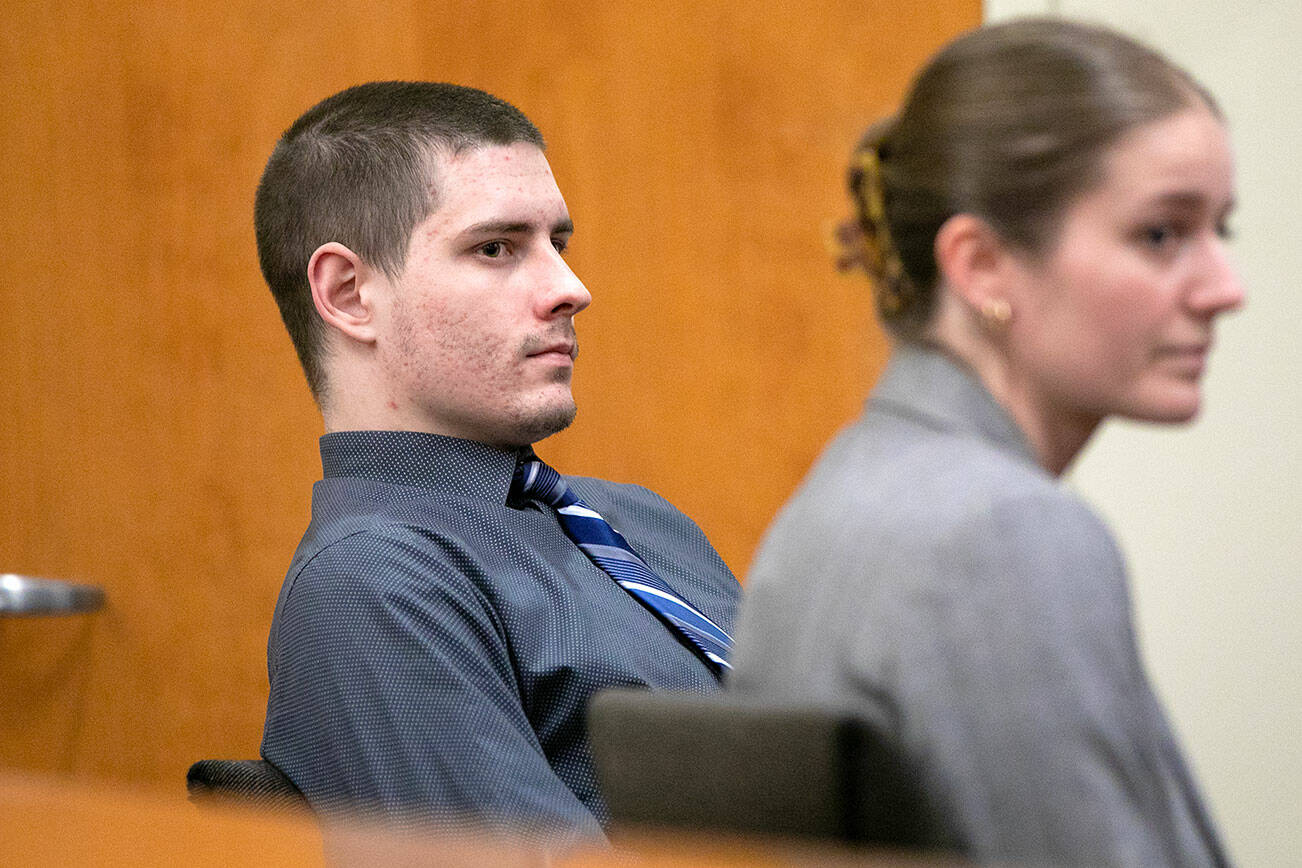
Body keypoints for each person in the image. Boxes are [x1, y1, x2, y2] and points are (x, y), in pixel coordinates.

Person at [729, 18, 1241, 867]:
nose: (1226, 288)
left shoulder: (850, 486)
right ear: (983, 266)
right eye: (1161, 234)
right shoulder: (1002, 533)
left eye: (1220, 230)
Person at [254, 81, 739, 842]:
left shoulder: (641, 521)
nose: (570, 289)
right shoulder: (370, 583)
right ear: (349, 294)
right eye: (496, 248)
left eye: (559, 244)